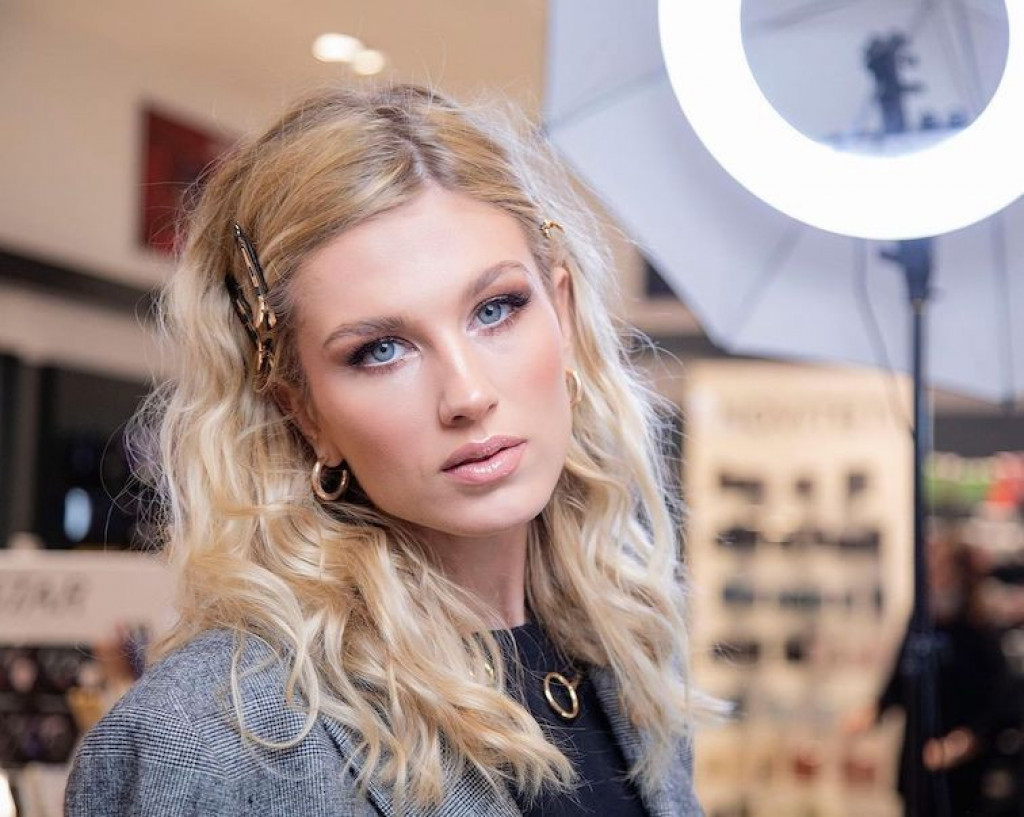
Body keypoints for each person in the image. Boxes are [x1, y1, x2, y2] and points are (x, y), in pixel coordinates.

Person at [64, 84, 708, 816]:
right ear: (303, 410)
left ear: (561, 313)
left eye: (496, 309)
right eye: (381, 349)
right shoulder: (212, 739)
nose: (467, 393)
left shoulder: (630, 652)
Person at [842, 523, 1011, 815]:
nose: (936, 579)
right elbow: (900, 678)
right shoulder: (920, 622)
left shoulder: (980, 631)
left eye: (943, 571)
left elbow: (997, 702)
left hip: (964, 773)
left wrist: (963, 742)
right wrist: (874, 710)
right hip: (917, 760)